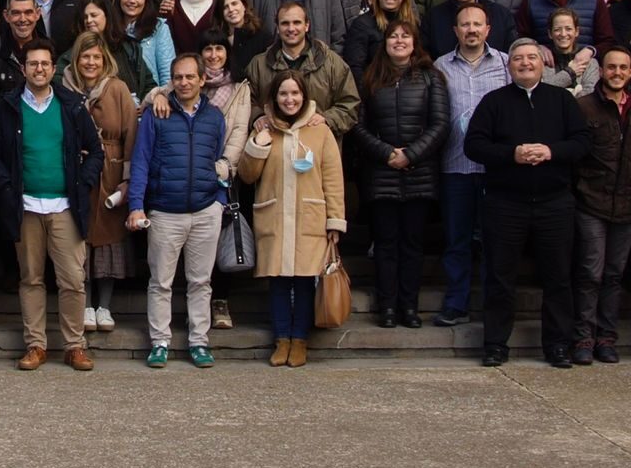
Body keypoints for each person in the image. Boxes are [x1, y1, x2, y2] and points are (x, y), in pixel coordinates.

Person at [0, 39, 104, 372]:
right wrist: (6, 186)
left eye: (45, 63)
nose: (39, 69)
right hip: (26, 207)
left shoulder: (71, 106)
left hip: (65, 207)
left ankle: (74, 346)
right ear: (23, 68)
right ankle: (36, 345)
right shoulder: (7, 108)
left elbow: (96, 151)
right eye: (33, 63)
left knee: (72, 279)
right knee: (31, 279)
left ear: (53, 68)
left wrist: (84, 181)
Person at [463, 38, 590, 368]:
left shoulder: (561, 100)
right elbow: (474, 145)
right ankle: (495, 345)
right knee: (500, 277)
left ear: (543, 64)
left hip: (554, 203)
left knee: (558, 278)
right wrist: (512, 154)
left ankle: (558, 345)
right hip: (506, 203)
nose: (525, 63)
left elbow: (582, 142)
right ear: (509, 66)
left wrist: (551, 151)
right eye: (518, 59)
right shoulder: (494, 102)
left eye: (531, 58)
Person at [127, 53, 229, 369]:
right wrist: (136, 205)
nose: (184, 83)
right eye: (178, 77)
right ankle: (160, 342)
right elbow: (141, 161)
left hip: (205, 209)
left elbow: (218, 158)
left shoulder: (215, 117)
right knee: (160, 282)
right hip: (165, 211)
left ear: (202, 79)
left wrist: (219, 201)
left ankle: (199, 342)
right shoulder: (157, 114)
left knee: (201, 282)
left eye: (190, 77)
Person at [240, 71, 347, 366]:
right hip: (274, 217)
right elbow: (247, 175)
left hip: (309, 217)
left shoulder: (320, 131)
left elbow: (333, 179)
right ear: (275, 97)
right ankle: (281, 340)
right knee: (277, 282)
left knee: (303, 282)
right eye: (284, 94)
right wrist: (258, 145)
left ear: (304, 96)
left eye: (295, 93)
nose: (290, 99)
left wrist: (335, 221)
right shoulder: (265, 128)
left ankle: (299, 340)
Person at [352, 22, 449, 328]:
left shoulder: (431, 77)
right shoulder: (370, 78)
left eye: (405, 36)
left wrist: (411, 154)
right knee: (385, 244)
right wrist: (386, 153)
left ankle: (409, 307)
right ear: (384, 43)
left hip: (419, 173)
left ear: (414, 42)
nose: (399, 40)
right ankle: (387, 308)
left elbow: (440, 124)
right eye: (393, 36)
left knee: (412, 245)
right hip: (381, 174)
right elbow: (358, 126)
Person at [433, 1, 509, 327]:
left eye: (477, 24)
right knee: (457, 240)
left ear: (488, 29)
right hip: (455, 166)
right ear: (456, 30)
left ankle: (493, 304)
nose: (471, 30)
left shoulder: (505, 63)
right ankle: (456, 303)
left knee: (495, 241)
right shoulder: (440, 66)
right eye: (465, 24)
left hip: (496, 170)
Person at [570, 47, 631, 365]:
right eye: (611, 67)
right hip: (591, 201)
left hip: (628, 202)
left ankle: (606, 338)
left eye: (622, 68)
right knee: (590, 272)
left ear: (630, 73)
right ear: (601, 71)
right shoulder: (584, 107)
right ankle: (583, 337)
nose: (617, 72)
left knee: (614, 274)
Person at [65, 32, 135, 334]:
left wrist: (127, 178)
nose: (91, 62)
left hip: (111, 169)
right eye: (85, 56)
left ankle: (104, 305)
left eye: (96, 56)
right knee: (79, 236)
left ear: (105, 59)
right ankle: (84, 305)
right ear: (76, 59)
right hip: (77, 170)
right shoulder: (65, 89)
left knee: (108, 236)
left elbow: (131, 133)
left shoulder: (117, 89)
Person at [245, 1, 360, 134]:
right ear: (277, 28)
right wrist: (257, 116)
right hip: (273, 141)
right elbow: (245, 102)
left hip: (318, 142)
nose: (291, 28)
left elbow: (350, 104)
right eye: (285, 23)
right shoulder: (258, 65)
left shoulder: (332, 63)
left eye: (297, 22)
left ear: (306, 26)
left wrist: (327, 119)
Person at [344, 0, 420, 81]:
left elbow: (419, 60)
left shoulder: (412, 24)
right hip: (374, 87)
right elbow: (354, 67)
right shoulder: (361, 25)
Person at [112, 0, 174, 88]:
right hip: (118, 95)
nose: (132, 0)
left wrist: (162, 95)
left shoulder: (159, 28)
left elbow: (167, 74)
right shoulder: (109, 27)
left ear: (146, 0)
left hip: (151, 95)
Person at [218, 0, 273, 80]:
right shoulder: (217, 39)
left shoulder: (263, 36)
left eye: (234, 4)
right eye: (225, 7)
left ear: (244, 6)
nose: (231, 9)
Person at [541, 9, 598, 97]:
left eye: (568, 29)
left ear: (576, 31)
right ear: (550, 34)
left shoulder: (590, 63)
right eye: (557, 29)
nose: (563, 34)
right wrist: (570, 73)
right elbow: (541, 92)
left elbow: (590, 94)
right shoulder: (542, 62)